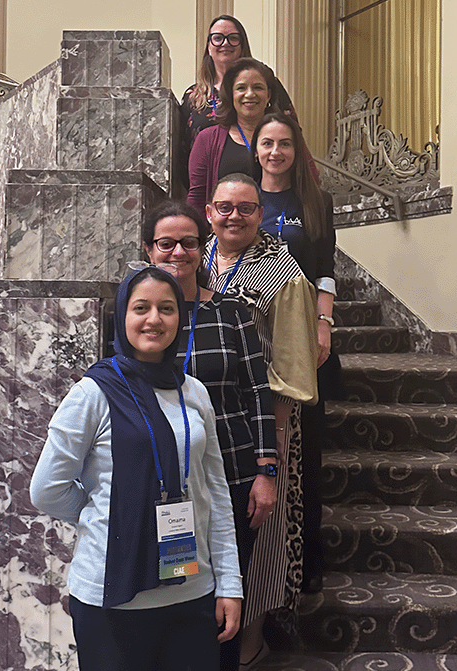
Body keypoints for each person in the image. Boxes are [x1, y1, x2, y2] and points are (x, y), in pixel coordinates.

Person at [29, 266, 242, 671]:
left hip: (192, 592)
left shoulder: (192, 392)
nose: (154, 319)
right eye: (140, 307)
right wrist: (114, 518)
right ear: (122, 316)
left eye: (167, 308)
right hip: (111, 598)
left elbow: (214, 493)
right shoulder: (92, 394)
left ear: (180, 318)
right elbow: (47, 489)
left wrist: (230, 585)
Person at [142, 199, 278, 671]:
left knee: (227, 589)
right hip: (167, 480)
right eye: (166, 243)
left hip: (236, 474)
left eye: (189, 242)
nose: (177, 252)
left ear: (203, 249)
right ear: (148, 249)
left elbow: (259, 394)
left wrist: (268, 470)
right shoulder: (141, 315)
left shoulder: (233, 313)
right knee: (177, 586)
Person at [203, 173, 319, 668]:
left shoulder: (281, 273)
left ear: (260, 214)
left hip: (260, 419)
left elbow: (294, 364)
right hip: (202, 419)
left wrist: (271, 446)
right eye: (224, 207)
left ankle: (250, 643)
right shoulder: (194, 257)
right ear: (209, 211)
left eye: (246, 208)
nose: (234, 216)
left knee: (261, 535)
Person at [252, 112, 343, 594]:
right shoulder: (242, 198)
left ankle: (305, 560)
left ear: (295, 150)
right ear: (256, 149)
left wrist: (324, 325)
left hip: (302, 337)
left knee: (305, 450)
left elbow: (325, 268)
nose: (275, 152)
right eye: (267, 143)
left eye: (284, 144)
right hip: (253, 339)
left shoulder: (316, 201)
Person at [180, 15, 298, 155]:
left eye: (233, 38)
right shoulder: (193, 95)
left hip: (263, 170)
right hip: (208, 174)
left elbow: (293, 134)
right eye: (217, 38)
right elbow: (181, 148)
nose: (225, 43)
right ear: (208, 48)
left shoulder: (268, 84)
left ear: (243, 46)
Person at [187, 57, 276, 216]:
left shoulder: (287, 137)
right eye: (241, 88)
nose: (250, 94)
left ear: (268, 95)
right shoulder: (207, 140)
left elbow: (309, 186)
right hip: (226, 232)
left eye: (258, 87)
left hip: (279, 231)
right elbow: (196, 199)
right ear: (231, 94)